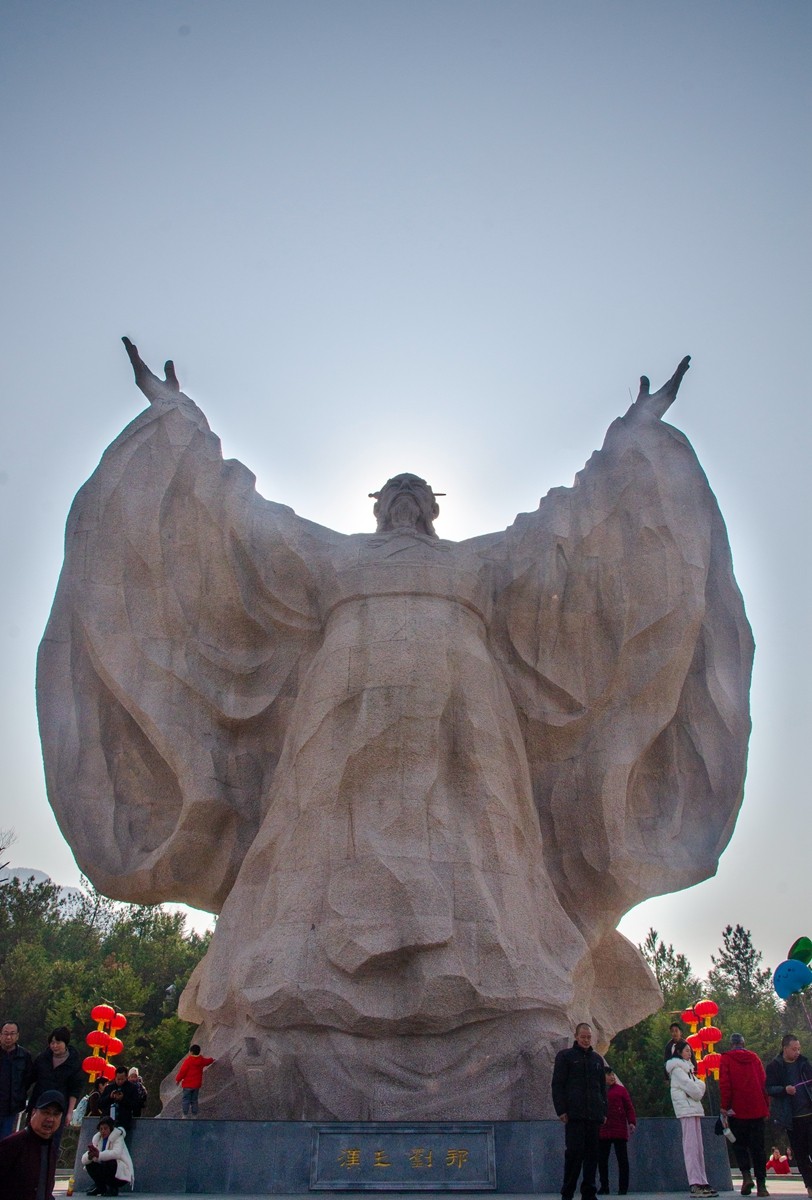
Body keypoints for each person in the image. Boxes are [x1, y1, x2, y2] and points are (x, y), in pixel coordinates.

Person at [38, 344, 754, 1119]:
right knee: (317, 839)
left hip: (470, 718)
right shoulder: (331, 556)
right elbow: (241, 522)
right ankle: (294, 988)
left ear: (434, 509)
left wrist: (630, 439)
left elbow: (568, 524)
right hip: (337, 717)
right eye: (396, 494)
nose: (406, 503)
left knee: (488, 840)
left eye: (418, 495)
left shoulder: (481, 564)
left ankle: (507, 989)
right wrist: (179, 421)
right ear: (378, 504)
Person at [551, 1022, 607, 1200]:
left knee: (592, 1156)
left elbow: (602, 1089)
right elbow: (557, 1085)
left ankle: (589, 1193)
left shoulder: (597, 1060)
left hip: (593, 1116)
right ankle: (567, 1192)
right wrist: (561, 1110)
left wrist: (603, 1111)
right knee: (574, 1154)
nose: (586, 1040)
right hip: (574, 1115)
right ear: (576, 1036)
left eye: (589, 1037)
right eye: (583, 1037)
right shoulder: (565, 1057)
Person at [719, 1032, 770, 1197]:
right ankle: (762, 1186)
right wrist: (766, 1106)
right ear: (743, 1043)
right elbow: (764, 1082)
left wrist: (724, 1106)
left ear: (731, 1044)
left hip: (737, 1110)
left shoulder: (726, 1059)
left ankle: (746, 1176)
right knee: (759, 1148)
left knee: (739, 1145)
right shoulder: (754, 1058)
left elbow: (725, 1084)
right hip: (757, 1108)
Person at [666, 1044, 718, 1198]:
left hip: (694, 1110)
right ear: (679, 1052)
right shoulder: (677, 1070)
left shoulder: (688, 1069)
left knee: (698, 1148)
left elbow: (699, 1085)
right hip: (686, 1110)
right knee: (690, 1147)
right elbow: (695, 1090)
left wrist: (698, 1087)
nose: (690, 1053)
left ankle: (702, 1180)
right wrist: (698, 1087)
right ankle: (695, 1183)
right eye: (687, 1050)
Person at [765, 1034, 812, 1197]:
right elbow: (769, 1088)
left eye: (798, 1049)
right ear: (785, 1049)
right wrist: (785, 1090)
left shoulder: (804, 1063)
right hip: (792, 1118)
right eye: (794, 1049)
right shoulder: (774, 1067)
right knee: (801, 1154)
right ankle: (810, 1185)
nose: (797, 1052)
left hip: (809, 1113)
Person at [0, 1089, 63, 1200]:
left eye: (56, 1114)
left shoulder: (51, 1148)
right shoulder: (12, 1144)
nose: (50, 1119)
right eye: (45, 1112)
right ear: (33, 1112)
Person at [28, 1026, 84, 1152]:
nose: (54, 1046)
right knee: (31, 1140)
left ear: (65, 1043)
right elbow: (30, 1078)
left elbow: (74, 1090)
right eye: (52, 1043)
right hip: (38, 1105)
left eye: (58, 1042)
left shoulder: (74, 1063)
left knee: (52, 1143)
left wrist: (69, 1112)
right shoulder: (42, 1058)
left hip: (58, 1109)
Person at [598, 1065, 636, 1195]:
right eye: (609, 1075)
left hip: (619, 1128)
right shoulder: (598, 1091)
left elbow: (629, 1107)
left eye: (612, 1074)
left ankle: (623, 1187)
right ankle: (604, 1186)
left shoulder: (621, 1090)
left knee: (622, 1160)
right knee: (602, 1160)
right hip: (603, 1129)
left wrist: (631, 1122)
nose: (612, 1077)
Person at [81, 1116, 134, 1196]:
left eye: (105, 1128)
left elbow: (117, 1153)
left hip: (121, 1172)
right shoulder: (97, 1138)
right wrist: (90, 1155)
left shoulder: (118, 1137)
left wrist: (99, 1154)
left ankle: (113, 1188)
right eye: (101, 1129)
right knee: (89, 1164)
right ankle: (100, 1187)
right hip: (106, 1167)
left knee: (110, 1162)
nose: (103, 1131)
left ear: (111, 1129)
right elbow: (86, 1158)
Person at [0, 1021, 34, 1140]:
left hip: (12, 1108)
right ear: (1, 1035)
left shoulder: (24, 1056)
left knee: (6, 1142)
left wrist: (19, 1094)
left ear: (17, 1036)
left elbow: (29, 1079)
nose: (8, 1037)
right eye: (5, 1033)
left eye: (12, 1033)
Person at [175, 1044, 215, 1117]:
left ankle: (185, 1115)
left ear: (192, 1052)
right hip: (196, 1085)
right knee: (194, 1100)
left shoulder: (188, 1061)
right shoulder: (201, 1060)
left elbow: (182, 1072)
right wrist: (212, 1059)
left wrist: (178, 1080)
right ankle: (194, 1115)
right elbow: (207, 1061)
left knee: (186, 1100)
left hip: (187, 1085)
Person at [98, 1068, 139, 1135]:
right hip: (107, 1122)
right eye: (118, 1079)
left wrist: (123, 1099)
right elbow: (100, 1104)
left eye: (122, 1079)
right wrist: (109, 1097)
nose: (120, 1081)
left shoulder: (132, 1088)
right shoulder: (109, 1088)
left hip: (123, 1122)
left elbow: (136, 1105)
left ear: (126, 1077)